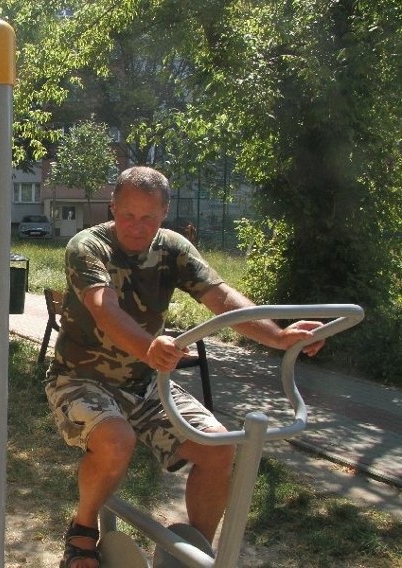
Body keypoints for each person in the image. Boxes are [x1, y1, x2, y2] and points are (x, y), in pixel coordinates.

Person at [45, 166, 325, 568]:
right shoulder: (88, 246)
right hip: (80, 378)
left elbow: (222, 298)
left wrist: (279, 337)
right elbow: (103, 308)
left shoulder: (173, 248)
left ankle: (195, 553)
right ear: (112, 207)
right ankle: (83, 530)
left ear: (164, 213)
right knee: (116, 442)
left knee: (219, 448)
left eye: (148, 218)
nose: (136, 227)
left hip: (144, 381)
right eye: (127, 215)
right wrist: (148, 347)